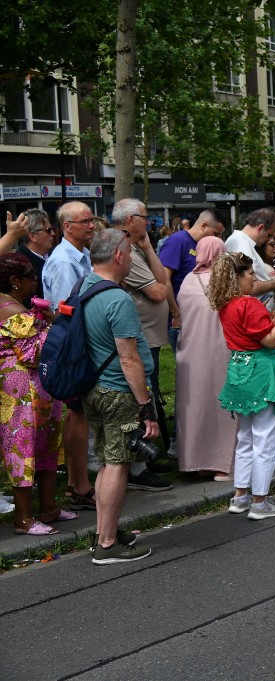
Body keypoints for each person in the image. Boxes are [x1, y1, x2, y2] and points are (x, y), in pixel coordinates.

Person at [81, 228, 159, 564]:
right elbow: (129, 358)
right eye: (128, 253)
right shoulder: (117, 299)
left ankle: (104, 532)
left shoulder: (83, 286)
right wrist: (146, 406)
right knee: (116, 465)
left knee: (106, 461)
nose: (131, 259)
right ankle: (108, 545)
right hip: (118, 391)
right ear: (118, 255)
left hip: (94, 388)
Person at [207, 252, 275, 520]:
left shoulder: (226, 304)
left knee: (245, 438)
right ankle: (260, 502)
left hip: (240, 371)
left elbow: (260, 330)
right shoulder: (249, 304)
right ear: (238, 277)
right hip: (260, 372)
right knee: (266, 438)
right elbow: (270, 339)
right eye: (250, 274)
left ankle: (241, 496)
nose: (254, 278)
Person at [0, 253, 73, 535]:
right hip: (21, 391)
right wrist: (55, 324)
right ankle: (24, 518)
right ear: (15, 281)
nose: (36, 280)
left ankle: (49, 508)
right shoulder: (11, 311)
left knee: (45, 446)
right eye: (31, 275)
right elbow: (35, 353)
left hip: (37, 390)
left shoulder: (19, 306)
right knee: (23, 449)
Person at [115, 199, 173, 491]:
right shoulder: (124, 250)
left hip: (149, 335)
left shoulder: (138, 248)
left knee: (149, 395)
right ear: (129, 220)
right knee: (141, 397)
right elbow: (158, 291)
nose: (149, 221)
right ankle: (138, 467)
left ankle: (144, 459)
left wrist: (149, 247)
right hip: (139, 336)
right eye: (144, 216)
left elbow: (162, 279)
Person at [42, 201, 96, 511]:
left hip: (75, 345)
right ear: (67, 227)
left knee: (76, 412)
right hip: (73, 346)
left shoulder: (80, 254)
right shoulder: (64, 261)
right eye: (85, 221)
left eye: (92, 220)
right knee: (78, 412)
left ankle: (77, 482)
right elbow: (67, 311)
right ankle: (79, 485)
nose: (91, 225)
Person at [174, 237, 237, 479]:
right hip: (221, 349)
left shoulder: (188, 280)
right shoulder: (225, 280)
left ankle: (194, 462)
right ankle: (222, 464)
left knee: (194, 407)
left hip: (190, 352)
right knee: (223, 407)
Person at [159, 209, 226, 353]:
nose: (218, 239)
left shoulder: (202, 244)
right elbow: (164, 279)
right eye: (215, 234)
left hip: (197, 318)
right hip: (181, 320)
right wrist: (175, 313)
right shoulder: (178, 241)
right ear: (204, 226)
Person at [224, 208, 275, 303]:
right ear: (260, 228)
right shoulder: (242, 245)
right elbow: (248, 286)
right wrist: (274, 283)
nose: (268, 239)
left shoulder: (241, 242)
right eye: (268, 235)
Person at [15, 209, 54, 298]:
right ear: (33, 236)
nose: (53, 233)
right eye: (48, 230)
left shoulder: (54, 256)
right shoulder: (20, 265)